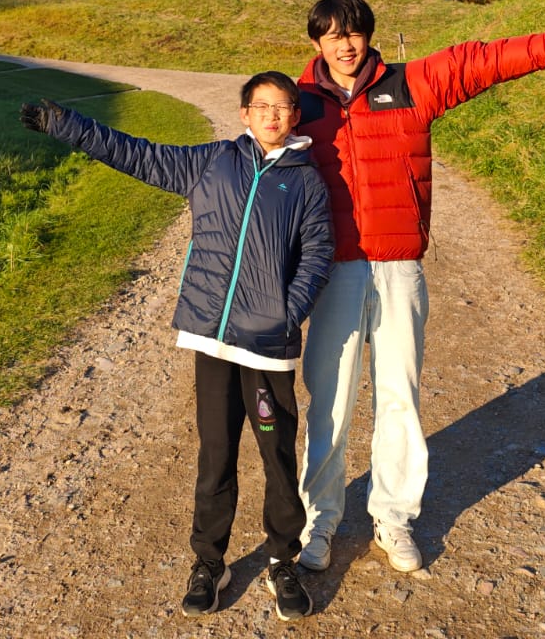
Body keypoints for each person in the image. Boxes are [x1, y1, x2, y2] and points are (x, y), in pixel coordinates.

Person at [293, 0, 545, 574]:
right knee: (330, 404)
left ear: (369, 37)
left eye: (355, 33)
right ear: (316, 43)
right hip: (333, 274)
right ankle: (321, 521)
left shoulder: (409, 85)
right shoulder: (298, 106)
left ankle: (393, 517)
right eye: (333, 35)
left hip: (398, 270)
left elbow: (476, 61)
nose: (345, 45)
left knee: (399, 399)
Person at [21, 71, 333, 621]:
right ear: (244, 113)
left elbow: (317, 253)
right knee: (215, 455)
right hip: (210, 337)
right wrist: (67, 126)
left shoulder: (306, 180)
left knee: (277, 454)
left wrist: (288, 313)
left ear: (295, 116)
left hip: (267, 346)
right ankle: (210, 563)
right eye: (262, 106)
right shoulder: (211, 162)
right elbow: (136, 153)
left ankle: (284, 559)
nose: (273, 116)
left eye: (284, 107)